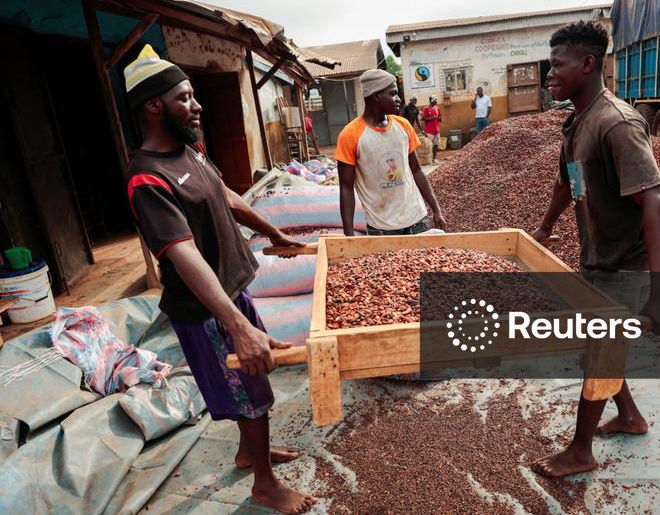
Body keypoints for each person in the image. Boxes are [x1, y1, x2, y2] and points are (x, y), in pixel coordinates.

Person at [123, 45, 316, 513]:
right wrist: (237, 325)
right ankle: (264, 485)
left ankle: (251, 451)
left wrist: (275, 232)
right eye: (185, 98)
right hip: (206, 310)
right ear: (153, 105)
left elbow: (225, 194)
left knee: (251, 387)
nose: (197, 105)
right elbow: (182, 253)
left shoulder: (190, 150)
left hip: (231, 294)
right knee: (251, 391)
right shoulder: (147, 179)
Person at [530, 21, 660, 477]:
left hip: (626, 265)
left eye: (557, 65)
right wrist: (544, 228)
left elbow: (654, 203)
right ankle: (630, 416)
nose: (548, 75)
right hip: (597, 255)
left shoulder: (617, 122)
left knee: (601, 351)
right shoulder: (579, 121)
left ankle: (580, 451)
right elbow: (568, 182)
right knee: (601, 345)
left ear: (588, 64)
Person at [336, 69, 446, 236]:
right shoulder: (350, 135)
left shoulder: (403, 126)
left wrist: (436, 209)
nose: (398, 99)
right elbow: (346, 188)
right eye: (393, 94)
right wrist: (349, 235)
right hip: (382, 229)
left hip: (418, 221)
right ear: (376, 96)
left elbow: (416, 171)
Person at [421, 95, 443, 163]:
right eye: (435, 100)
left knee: (436, 145)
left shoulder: (437, 108)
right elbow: (423, 118)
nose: (436, 101)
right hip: (429, 131)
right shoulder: (426, 109)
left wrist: (440, 119)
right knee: (429, 146)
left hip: (436, 130)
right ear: (432, 100)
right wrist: (432, 118)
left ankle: (434, 159)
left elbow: (440, 117)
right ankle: (429, 159)